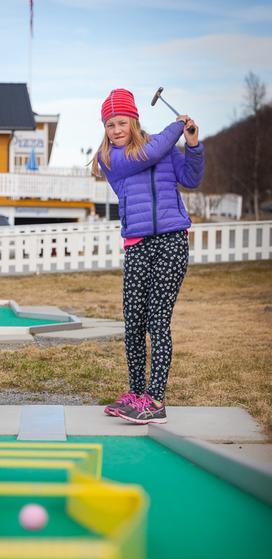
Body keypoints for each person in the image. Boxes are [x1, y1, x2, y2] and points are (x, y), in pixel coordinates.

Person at [93, 88, 204, 424]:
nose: (115, 130)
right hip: (138, 244)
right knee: (133, 322)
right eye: (109, 124)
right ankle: (137, 393)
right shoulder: (111, 159)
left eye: (121, 122)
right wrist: (175, 128)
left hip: (171, 241)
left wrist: (194, 145)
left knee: (157, 319)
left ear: (134, 120)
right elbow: (147, 155)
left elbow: (191, 178)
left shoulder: (164, 147)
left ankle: (155, 400)